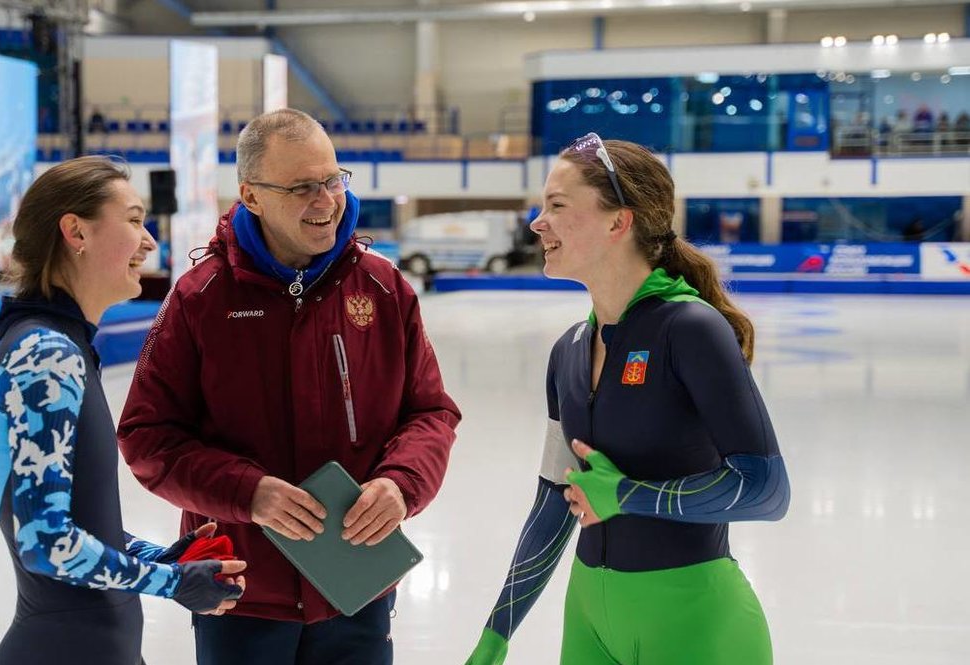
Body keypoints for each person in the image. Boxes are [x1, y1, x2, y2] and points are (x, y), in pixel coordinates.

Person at [117, 108, 461, 665]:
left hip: (358, 585)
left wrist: (401, 484)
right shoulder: (201, 299)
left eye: (332, 180)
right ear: (251, 196)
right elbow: (146, 437)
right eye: (302, 187)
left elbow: (431, 413)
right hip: (241, 592)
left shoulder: (383, 288)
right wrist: (247, 493)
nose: (326, 201)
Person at [465, 134, 790, 665]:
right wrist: (498, 631)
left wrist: (629, 495)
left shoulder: (691, 329)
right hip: (589, 621)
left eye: (557, 206)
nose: (537, 223)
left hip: (694, 621)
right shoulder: (568, 352)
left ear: (619, 221)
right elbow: (554, 500)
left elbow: (767, 490)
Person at [0, 156, 247, 665]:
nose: (149, 242)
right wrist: (172, 582)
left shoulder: (60, 347)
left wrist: (157, 555)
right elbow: (45, 542)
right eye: (133, 220)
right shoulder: (45, 355)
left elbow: (78, 521)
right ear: (76, 232)